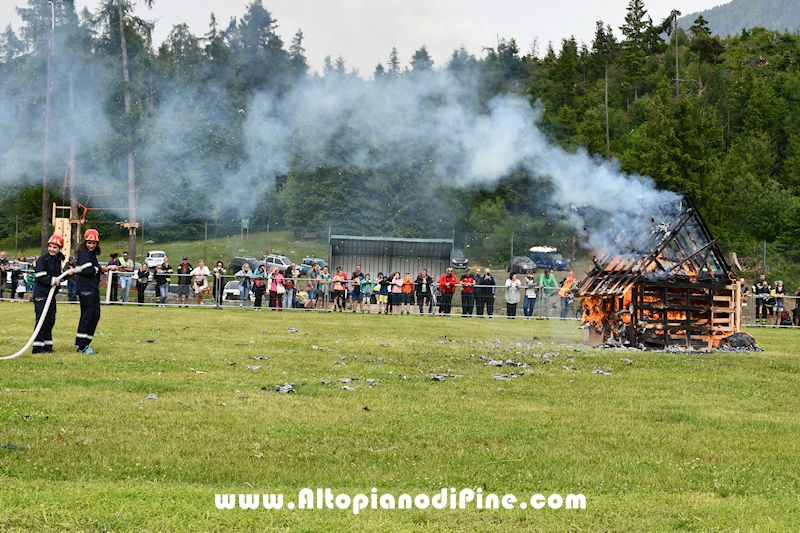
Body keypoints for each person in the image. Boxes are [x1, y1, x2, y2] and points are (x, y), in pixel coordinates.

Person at [74, 229, 118, 354]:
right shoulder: (83, 253)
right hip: (85, 288)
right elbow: (87, 270)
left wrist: (100, 269)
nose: (91, 245)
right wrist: (103, 268)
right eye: (89, 243)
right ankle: (82, 345)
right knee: (87, 316)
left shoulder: (91, 254)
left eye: (94, 243)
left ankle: (86, 343)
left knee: (95, 316)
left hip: (92, 287)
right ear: (85, 241)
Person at [32, 235, 73, 353]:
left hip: (51, 295)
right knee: (42, 320)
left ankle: (47, 345)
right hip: (41, 294)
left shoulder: (57, 260)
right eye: (50, 246)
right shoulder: (43, 259)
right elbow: (40, 276)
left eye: (55, 247)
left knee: (50, 320)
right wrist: (52, 280)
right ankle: (37, 347)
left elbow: (59, 277)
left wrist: (67, 275)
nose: (51, 249)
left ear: (59, 248)